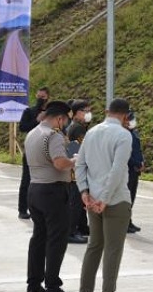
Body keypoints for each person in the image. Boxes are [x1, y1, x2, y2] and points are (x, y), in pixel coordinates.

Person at [76, 98, 133, 292]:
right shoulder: (124, 135)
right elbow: (117, 171)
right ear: (126, 115)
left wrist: (84, 191)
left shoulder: (91, 132)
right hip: (115, 201)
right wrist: (105, 200)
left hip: (92, 200)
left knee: (94, 248)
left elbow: (80, 164)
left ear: (107, 111)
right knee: (112, 252)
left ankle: (85, 289)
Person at [25, 101, 77, 292]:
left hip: (35, 189)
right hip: (53, 191)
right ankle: (52, 283)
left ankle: (33, 282)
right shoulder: (53, 135)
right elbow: (60, 163)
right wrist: (75, 160)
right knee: (56, 239)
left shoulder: (33, 133)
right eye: (64, 121)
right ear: (59, 118)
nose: (63, 125)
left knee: (39, 236)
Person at [19, 87, 50, 219]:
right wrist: (37, 120)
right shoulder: (29, 111)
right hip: (31, 149)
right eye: (38, 96)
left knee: (45, 181)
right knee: (27, 180)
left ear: (48, 97)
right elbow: (23, 127)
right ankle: (22, 209)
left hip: (46, 149)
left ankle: (40, 208)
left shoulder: (51, 112)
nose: (40, 99)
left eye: (43, 97)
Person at [65, 99, 92, 244]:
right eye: (84, 111)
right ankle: (70, 231)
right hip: (76, 171)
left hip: (77, 169)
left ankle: (81, 226)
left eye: (89, 110)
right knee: (75, 202)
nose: (88, 114)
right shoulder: (77, 128)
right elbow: (77, 150)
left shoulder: (79, 126)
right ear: (75, 113)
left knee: (80, 202)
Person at [126, 111, 144, 234]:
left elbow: (138, 150)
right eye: (130, 119)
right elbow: (126, 154)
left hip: (135, 169)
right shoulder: (124, 134)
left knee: (131, 197)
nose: (133, 121)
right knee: (126, 198)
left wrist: (142, 162)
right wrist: (136, 164)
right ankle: (125, 222)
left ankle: (128, 221)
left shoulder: (134, 133)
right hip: (128, 169)